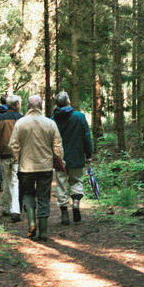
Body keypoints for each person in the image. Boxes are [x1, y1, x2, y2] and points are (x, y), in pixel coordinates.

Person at [9, 95, 64, 241]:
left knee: (28, 194)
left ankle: (32, 223)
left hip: (25, 167)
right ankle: (44, 232)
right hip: (45, 167)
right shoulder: (50, 123)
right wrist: (60, 161)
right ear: (41, 106)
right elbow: (58, 145)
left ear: (27, 106)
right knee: (43, 197)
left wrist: (16, 159)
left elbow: (13, 145)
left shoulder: (20, 123)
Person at [51, 91, 93, 225]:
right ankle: (75, 203)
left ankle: (64, 215)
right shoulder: (80, 117)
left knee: (61, 184)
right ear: (68, 101)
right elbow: (87, 137)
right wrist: (89, 155)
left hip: (59, 158)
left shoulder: (52, 119)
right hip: (77, 155)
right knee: (76, 181)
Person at [0, 95, 23, 222]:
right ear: (17, 105)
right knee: (16, 181)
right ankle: (15, 209)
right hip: (18, 155)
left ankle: (7, 208)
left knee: (7, 181)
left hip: (3, 155)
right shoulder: (21, 118)